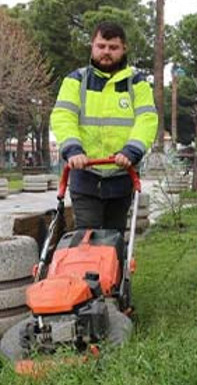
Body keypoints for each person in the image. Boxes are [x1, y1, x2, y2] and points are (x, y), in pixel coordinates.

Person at [50, 21, 158, 232]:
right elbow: (64, 116)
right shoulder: (76, 81)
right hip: (86, 174)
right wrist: (73, 150)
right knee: (87, 236)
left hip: (121, 174)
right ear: (92, 46)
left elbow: (147, 120)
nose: (106, 52)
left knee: (114, 236)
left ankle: (116, 264)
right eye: (101, 46)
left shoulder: (137, 83)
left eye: (113, 47)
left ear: (123, 49)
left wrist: (131, 151)